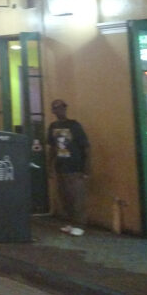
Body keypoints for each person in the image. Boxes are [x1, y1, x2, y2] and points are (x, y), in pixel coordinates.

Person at [47, 99, 90, 236]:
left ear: (65, 109)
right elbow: (52, 147)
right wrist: (49, 165)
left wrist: (87, 167)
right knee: (65, 197)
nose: (59, 111)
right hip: (61, 166)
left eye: (61, 108)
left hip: (75, 166)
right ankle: (71, 222)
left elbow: (86, 147)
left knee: (77, 196)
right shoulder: (53, 126)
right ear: (53, 111)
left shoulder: (74, 125)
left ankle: (80, 224)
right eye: (56, 108)